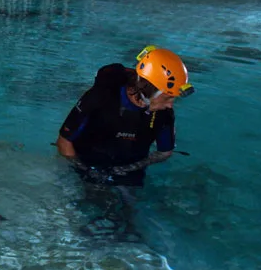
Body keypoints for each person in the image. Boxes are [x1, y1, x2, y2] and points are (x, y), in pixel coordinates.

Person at [56, 46, 195, 187]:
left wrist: (126, 169)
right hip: (85, 161)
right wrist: (85, 170)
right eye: (167, 98)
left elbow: (164, 152)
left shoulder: (164, 114)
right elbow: (64, 142)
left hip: (127, 170)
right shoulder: (101, 97)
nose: (170, 105)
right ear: (149, 90)